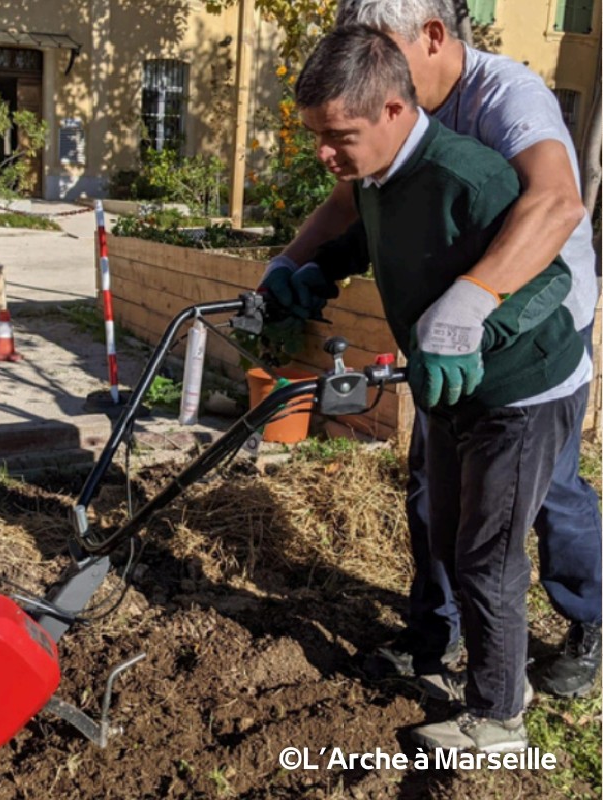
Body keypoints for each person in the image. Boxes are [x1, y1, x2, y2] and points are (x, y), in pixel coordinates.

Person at [259, 0, 601, 699]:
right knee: (434, 491)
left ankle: (588, 620)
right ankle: (435, 629)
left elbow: (559, 204)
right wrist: (288, 264)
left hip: (534, 324)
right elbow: (351, 204)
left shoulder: (508, 98)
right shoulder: (384, 108)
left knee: (545, 498)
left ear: (434, 37)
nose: (367, 64)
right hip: (448, 334)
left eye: (377, 47)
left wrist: (471, 303)